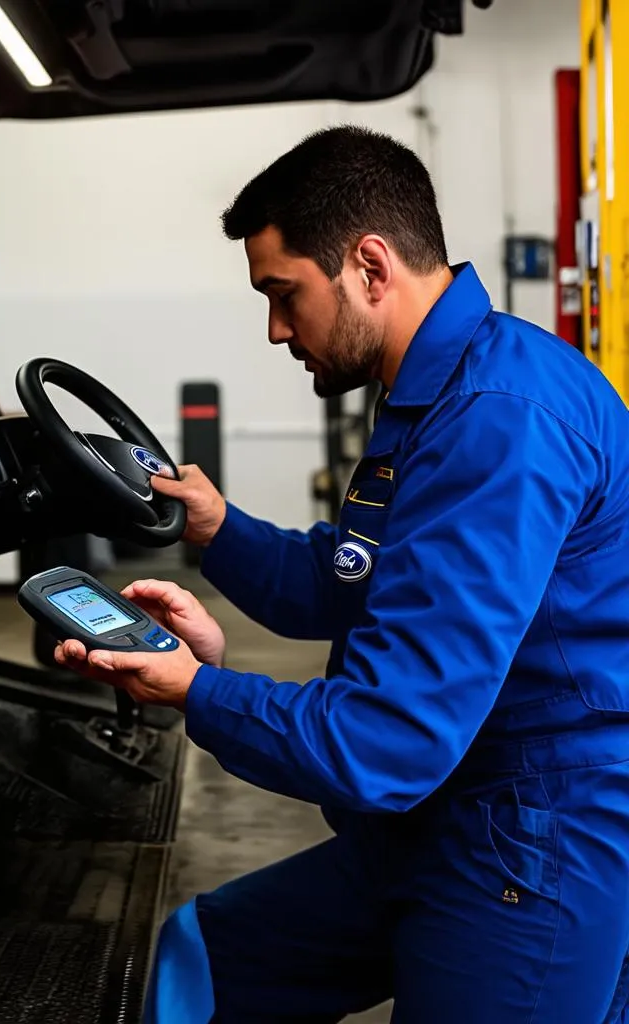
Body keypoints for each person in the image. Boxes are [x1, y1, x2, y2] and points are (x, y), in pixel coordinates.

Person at [55, 126, 629, 1022]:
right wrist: (217, 528)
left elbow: (387, 738)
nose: (278, 329)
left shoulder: (499, 418)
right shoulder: (436, 390)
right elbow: (358, 580)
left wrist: (200, 691)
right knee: (201, 961)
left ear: (368, 265)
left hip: (526, 841)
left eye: (284, 295)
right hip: (436, 815)